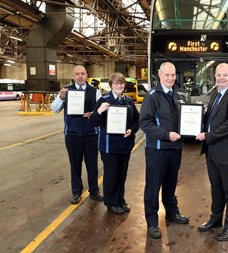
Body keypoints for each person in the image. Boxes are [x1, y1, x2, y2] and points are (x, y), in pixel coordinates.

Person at [139, 62, 189, 239]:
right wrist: (167, 135)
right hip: (158, 149)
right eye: (167, 75)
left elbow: (188, 115)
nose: (170, 78)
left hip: (175, 148)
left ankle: (172, 212)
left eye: (173, 75)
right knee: (153, 186)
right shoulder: (152, 96)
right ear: (159, 75)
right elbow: (145, 123)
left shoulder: (180, 93)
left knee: (171, 184)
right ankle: (152, 222)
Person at [196, 63, 228, 241]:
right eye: (219, 75)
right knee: (216, 189)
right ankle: (216, 220)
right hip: (212, 152)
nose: (222, 78)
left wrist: (208, 135)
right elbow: (212, 119)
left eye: (225, 75)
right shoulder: (216, 93)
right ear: (214, 76)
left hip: (226, 152)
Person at [51, 65, 103, 204]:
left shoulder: (94, 92)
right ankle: (76, 192)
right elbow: (55, 109)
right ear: (73, 76)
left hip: (91, 134)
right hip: (72, 135)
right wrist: (61, 98)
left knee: (92, 164)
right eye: (77, 74)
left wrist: (94, 113)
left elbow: (101, 111)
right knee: (75, 164)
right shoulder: (66, 91)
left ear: (87, 75)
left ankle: (94, 190)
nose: (80, 76)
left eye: (83, 73)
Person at [90, 73, 140, 214]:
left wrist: (131, 129)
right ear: (111, 85)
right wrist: (99, 111)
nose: (119, 86)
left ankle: (120, 199)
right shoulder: (104, 100)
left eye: (121, 83)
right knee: (111, 174)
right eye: (116, 83)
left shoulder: (129, 102)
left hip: (125, 144)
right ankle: (111, 203)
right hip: (109, 146)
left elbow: (137, 120)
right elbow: (93, 122)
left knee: (122, 174)